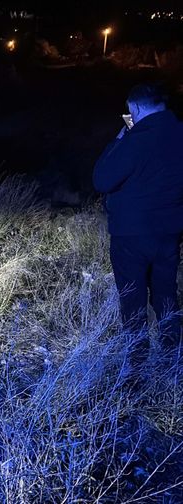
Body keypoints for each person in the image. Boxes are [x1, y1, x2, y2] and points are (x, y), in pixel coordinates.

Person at [94, 83, 183, 352]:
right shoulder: (179, 132)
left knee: (133, 298)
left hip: (131, 234)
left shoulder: (136, 139)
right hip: (169, 232)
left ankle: (136, 363)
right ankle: (172, 354)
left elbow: (102, 179)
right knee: (166, 293)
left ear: (134, 108)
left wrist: (120, 138)